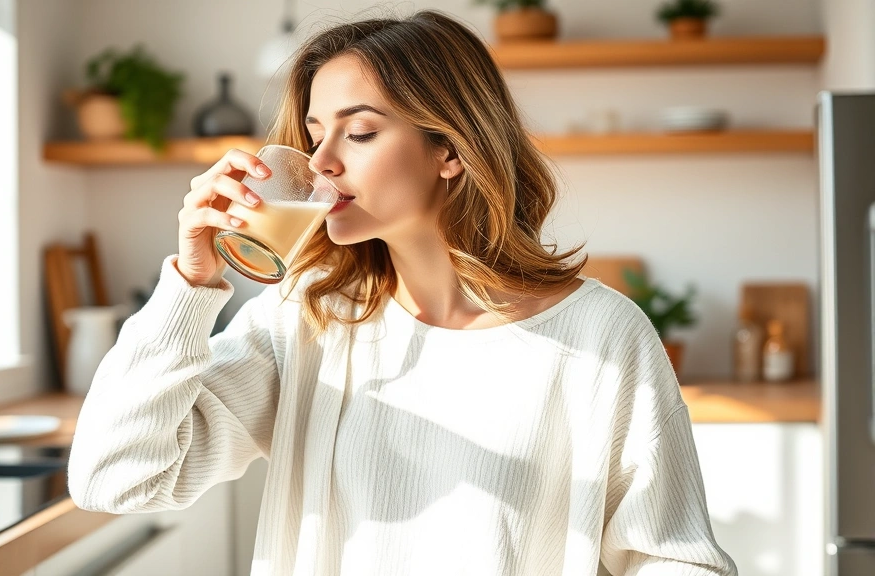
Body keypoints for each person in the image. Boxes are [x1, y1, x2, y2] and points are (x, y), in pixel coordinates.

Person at [68, 9, 737, 576]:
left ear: (450, 150)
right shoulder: (302, 320)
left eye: (359, 132)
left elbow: (675, 557)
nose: (322, 160)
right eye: (314, 133)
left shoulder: (600, 337)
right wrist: (191, 283)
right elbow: (117, 479)